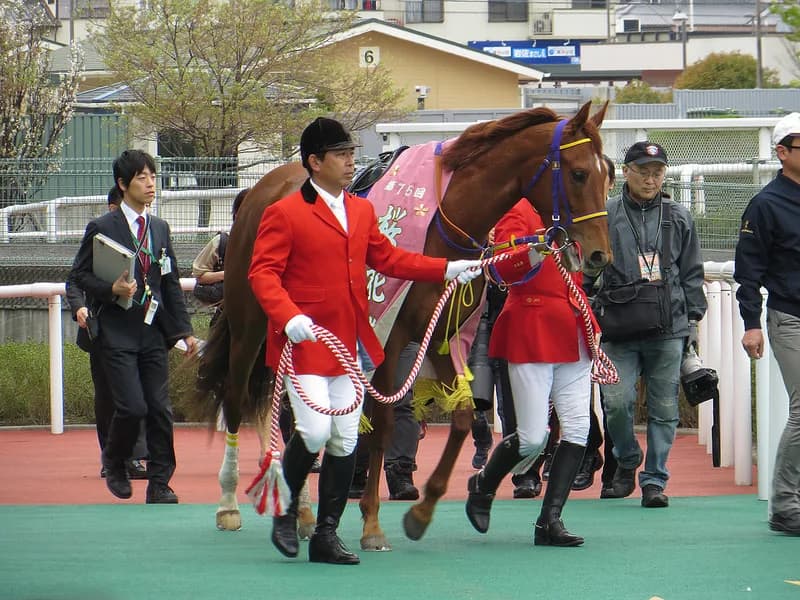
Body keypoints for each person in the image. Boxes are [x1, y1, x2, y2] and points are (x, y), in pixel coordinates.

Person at [248, 116, 482, 565]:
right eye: (341, 154)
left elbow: (388, 257)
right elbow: (262, 274)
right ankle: (284, 511)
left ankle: (327, 536)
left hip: (352, 342)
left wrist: (446, 269)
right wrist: (287, 315)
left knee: (344, 439)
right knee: (315, 430)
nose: (351, 161)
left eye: (352, 153)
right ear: (314, 162)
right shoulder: (285, 213)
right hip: (304, 343)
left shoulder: (360, 209)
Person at [465, 198, 598, 547]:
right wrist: (537, 248)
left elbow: (586, 265)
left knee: (578, 428)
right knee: (532, 437)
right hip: (532, 326)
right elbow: (497, 269)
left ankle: (549, 520)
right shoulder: (518, 209)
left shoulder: (576, 209)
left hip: (573, 327)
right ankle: (484, 485)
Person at [69, 149, 198, 504]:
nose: (151, 184)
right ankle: (115, 460)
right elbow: (78, 275)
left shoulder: (159, 228)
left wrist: (184, 332)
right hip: (116, 333)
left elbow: (168, 284)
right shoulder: (102, 227)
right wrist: (110, 290)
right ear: (123, 185)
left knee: (160, 409)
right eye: (142, 177)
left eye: (153, 177)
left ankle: (160, 483)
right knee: (132, 407)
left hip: (153, 332)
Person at [595, 142, 706, 508]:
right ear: (626, 171)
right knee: (616, 401)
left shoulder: (678, 216)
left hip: (669, 325)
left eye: (657, 171)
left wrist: (693, 319)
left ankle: (655, 480)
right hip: (619, 326)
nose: (650, 178)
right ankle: (627, 459)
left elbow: (692, 272)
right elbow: (588, 268)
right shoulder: (605, 214)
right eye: (643, 171)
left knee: (664, 408)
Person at [734, 112, 800, 535]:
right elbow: (748, 270)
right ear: (782, 152)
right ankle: (785, 504)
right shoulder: (765, 204)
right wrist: (751, 323)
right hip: (790, 317)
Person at [65, 186, 147, 481]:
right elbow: (74, 279)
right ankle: (111, 457)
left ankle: (135, 458)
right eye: (116, 211)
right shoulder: (98, 235)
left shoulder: (147, 236)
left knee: (136, 395)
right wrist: (79, 309)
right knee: (107, 397)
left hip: (137, 331)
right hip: (101, 331)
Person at [191, 187, 248, 325]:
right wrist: (229, 275)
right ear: (236, 214)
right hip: (227, 314)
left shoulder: (269, 242)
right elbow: (200, 275)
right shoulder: (221, 242)